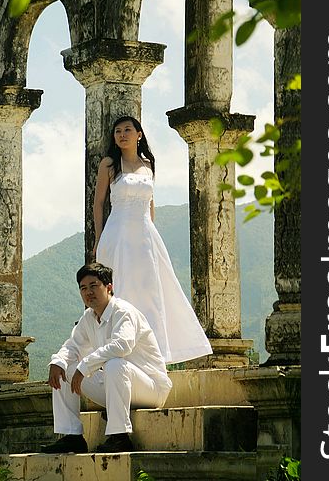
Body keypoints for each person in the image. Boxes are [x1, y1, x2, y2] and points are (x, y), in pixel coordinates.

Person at [93, 115, 212, 364]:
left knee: (151, 291)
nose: (122, 134)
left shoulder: (148, 165)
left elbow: (151, 203)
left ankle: (153, 354)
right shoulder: (108, 164)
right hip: (118, 233)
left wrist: (151, 233)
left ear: (139, 135)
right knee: (120, 290)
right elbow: (98, 203)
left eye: (127, 130)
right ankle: (118, 352)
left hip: (145, 234)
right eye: (117, 131)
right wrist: (98, 237)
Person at [41, 262, 172, 454]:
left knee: (115, 364)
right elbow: (73, 345)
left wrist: (85, 365)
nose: (88, 292)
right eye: (83, 288)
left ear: (109, 287)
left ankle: (120, 437)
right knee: (64, 369)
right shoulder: (88, 318)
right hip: (117, 388)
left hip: (150, 388)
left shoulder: (123, 311)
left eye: (94, 286)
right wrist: (57, 361)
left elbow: (122, 345)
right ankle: (72, 437)